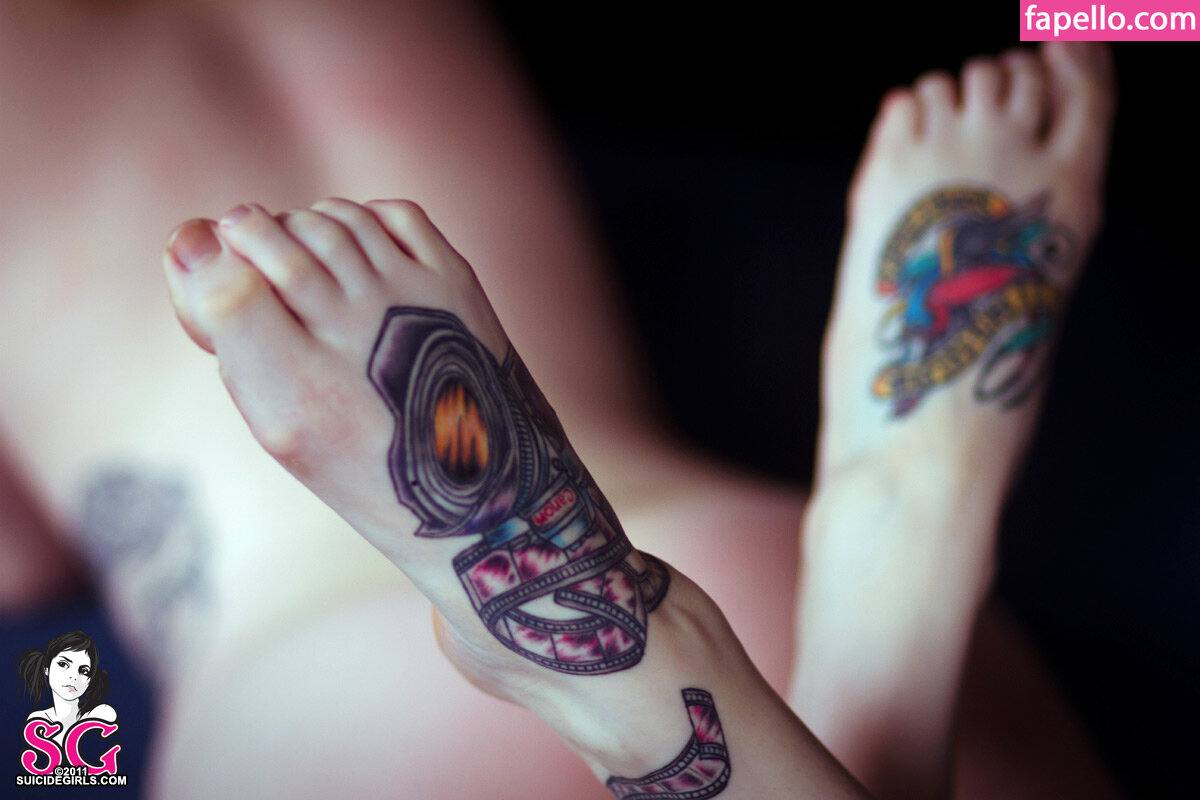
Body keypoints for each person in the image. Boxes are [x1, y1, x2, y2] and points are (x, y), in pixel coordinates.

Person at [0, 0, 1120, 795]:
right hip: (727, 542)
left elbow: (19, 565)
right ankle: (898, 538)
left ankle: (732, 623)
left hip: (314, 670)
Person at [16, 630, 116, 747]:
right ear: (46, 668)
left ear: (90, 680)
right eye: (63, 664)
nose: (73, 676)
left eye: (84, 671)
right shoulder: (37, 721)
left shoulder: (102, 714)